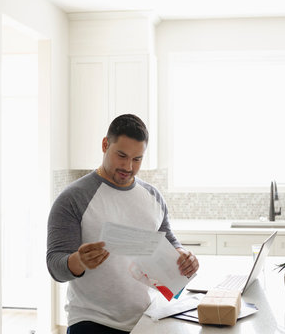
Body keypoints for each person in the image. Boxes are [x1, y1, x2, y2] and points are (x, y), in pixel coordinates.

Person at [46, 114, 199, 334]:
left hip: (147, 317)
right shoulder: (73, 198)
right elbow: (54, 265)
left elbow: (168, 239)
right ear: (105, 144)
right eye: (122, 155)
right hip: (91, 321)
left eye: (137, 159)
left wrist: (183, 254)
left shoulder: (152, 196)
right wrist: (78, 260)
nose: (128, 166)